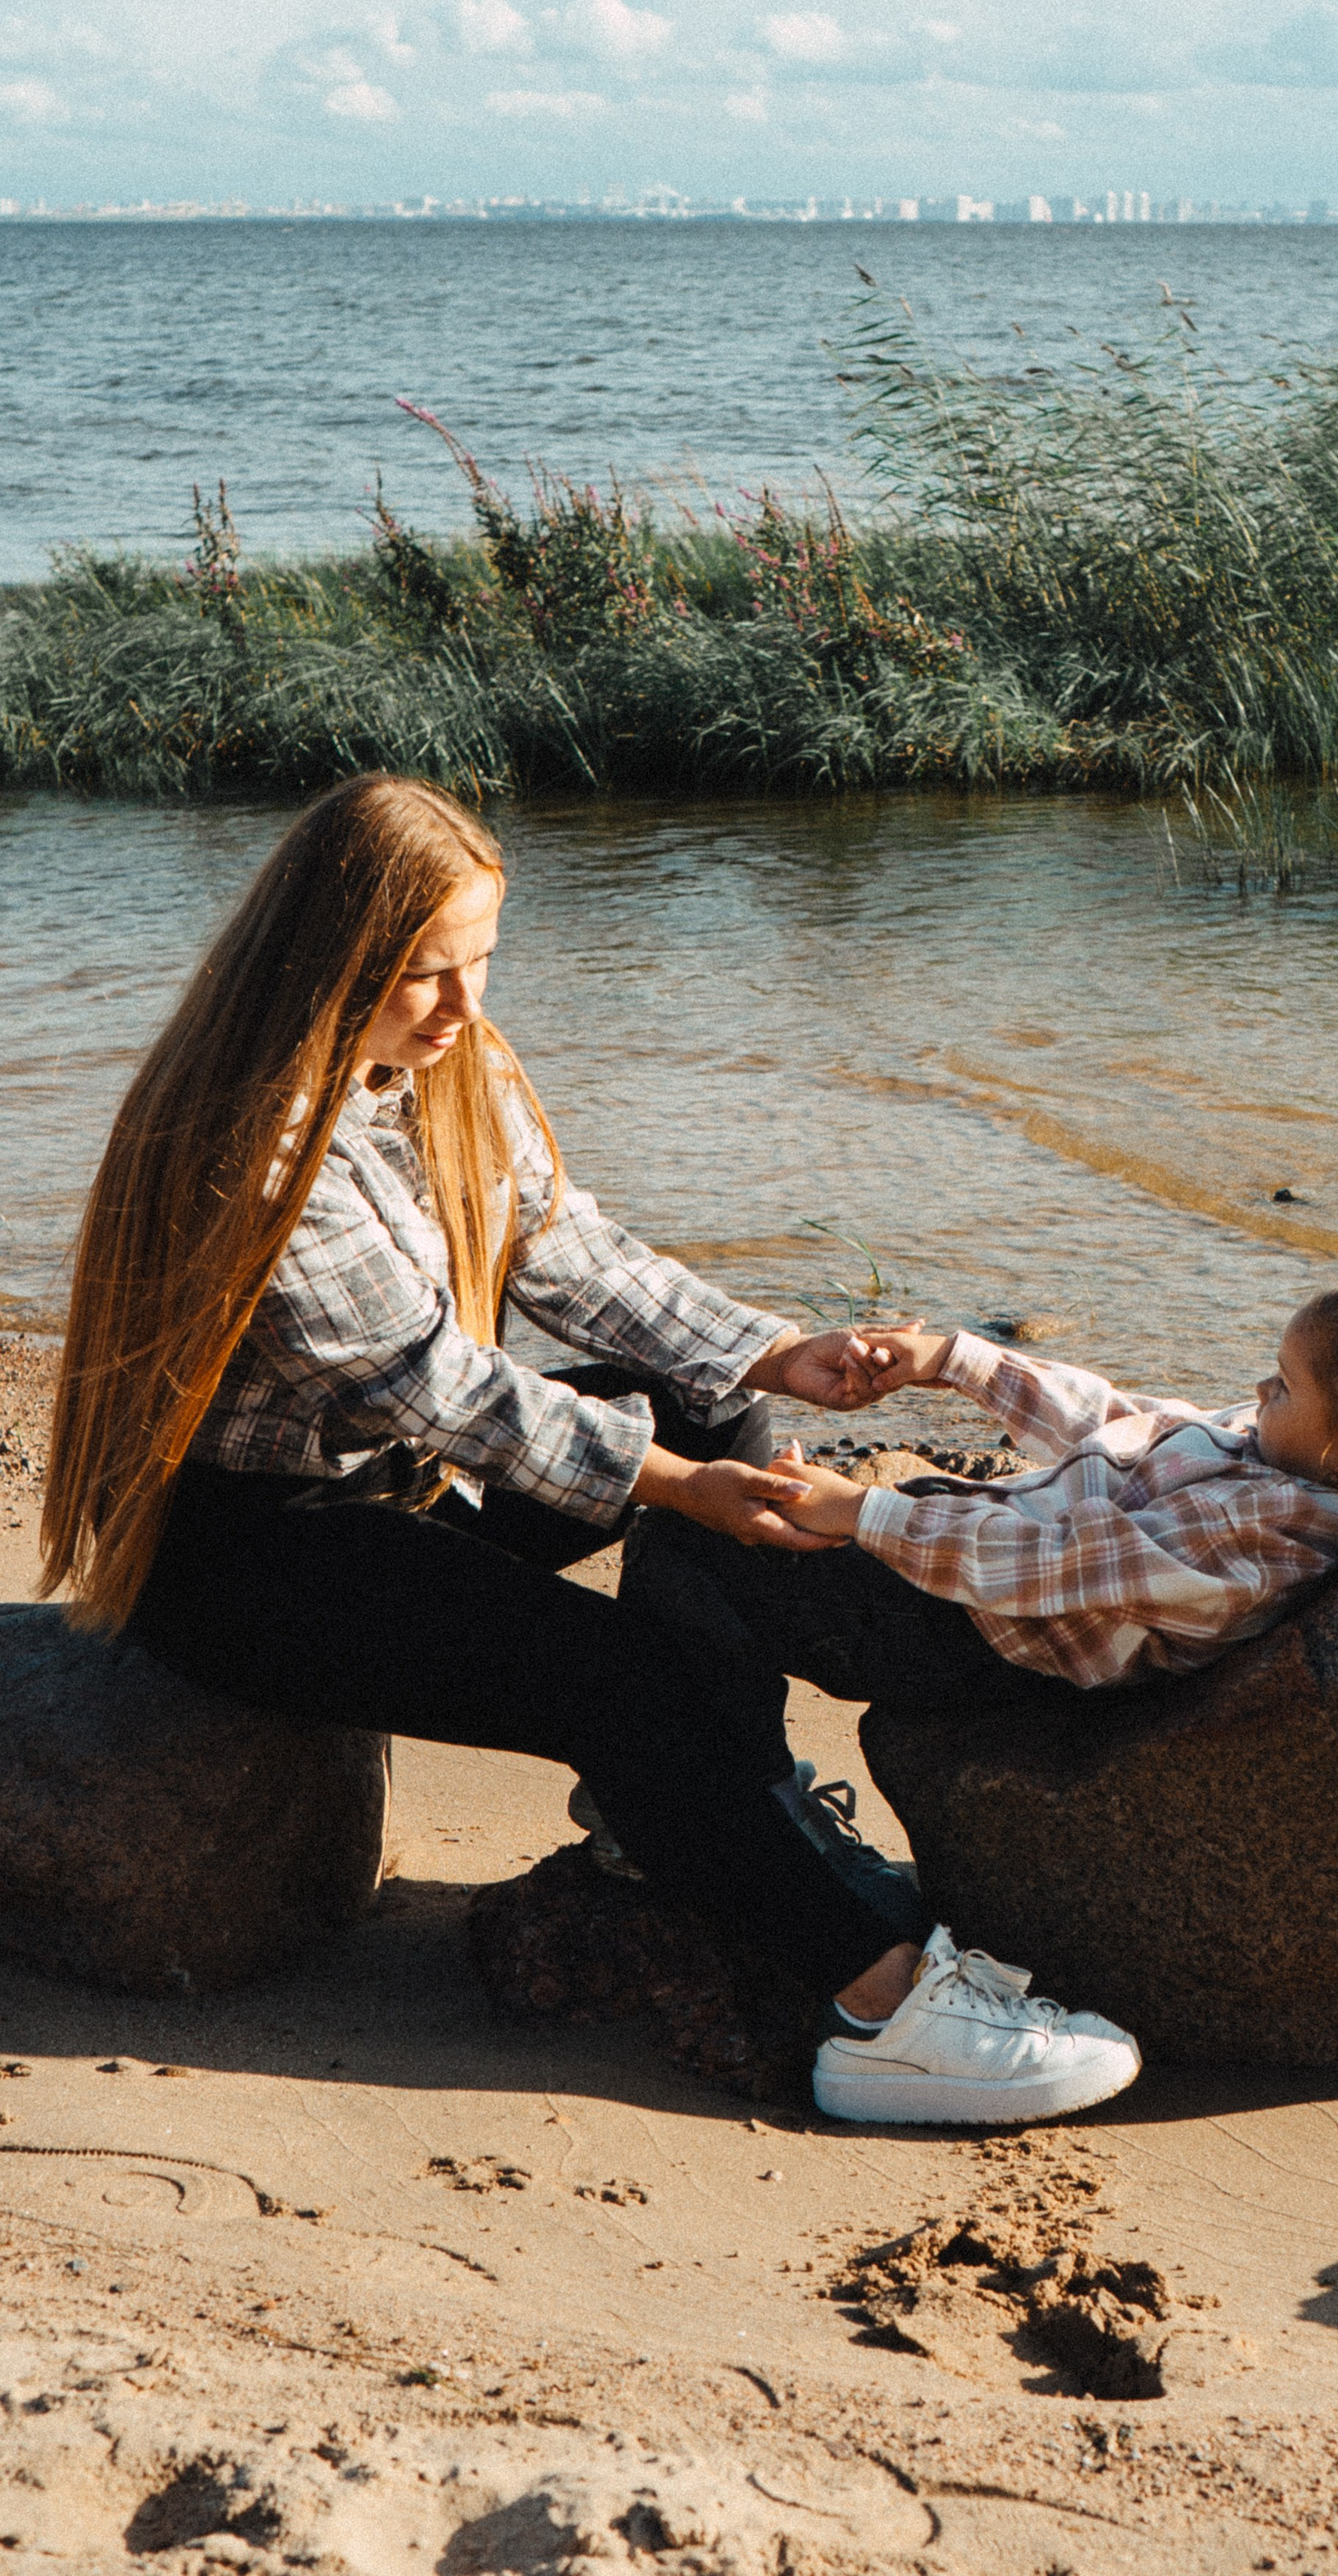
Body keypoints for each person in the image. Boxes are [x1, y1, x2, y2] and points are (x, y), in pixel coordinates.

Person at [38, 773, 1140, 2128]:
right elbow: (433, 1385)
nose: (464, 1009)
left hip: (398, 1500)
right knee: (616, 1674)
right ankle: (881, 2011)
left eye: (481, 964)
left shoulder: (448, 1066)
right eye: (424, 977)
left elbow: (565, 1248)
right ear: (326, 964)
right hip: (249, 1557)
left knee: (708, 1404)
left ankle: (682, 1817)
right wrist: (675, 1491)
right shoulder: (255, 1143)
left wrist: (764, 1353)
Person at [610, 1276, 1338, 2118]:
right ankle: (715, 1774)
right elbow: (1116, 1417)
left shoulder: (1267, 1541)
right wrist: (953, 1359)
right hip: (981, 1553)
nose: (1259, 1394)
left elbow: (1049, 1568)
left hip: (973, 1637)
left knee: (692, 1552)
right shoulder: (1274, 1454)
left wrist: (862, 1513)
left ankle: (713, 1787)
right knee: (716, 1532)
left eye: (1282, 1385)